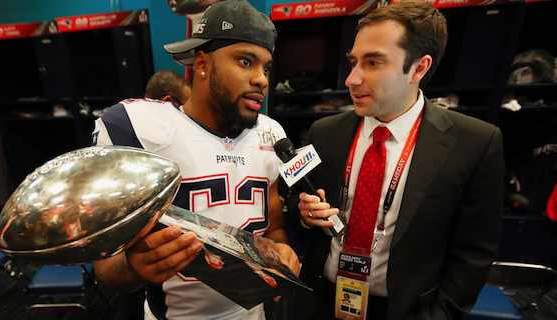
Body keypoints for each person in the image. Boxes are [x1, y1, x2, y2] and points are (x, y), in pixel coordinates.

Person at [288, 1, 505, 319]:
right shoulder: (325, 132)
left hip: (404, 310)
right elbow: (298, 205)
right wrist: (305, 215)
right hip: (322, 302)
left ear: (418, 68)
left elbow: (473, 255)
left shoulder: (474, 143)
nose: (351, 79)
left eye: (373, 63)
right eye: (353, 62)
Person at [91, 1, 300, 319]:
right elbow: (106, 270)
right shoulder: (142, 129)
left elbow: (274, 227)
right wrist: (133, 267)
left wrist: (281, 250)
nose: (261, 79)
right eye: (246, 61)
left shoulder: (270, 133)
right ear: (201, 64)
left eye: (266, 68)